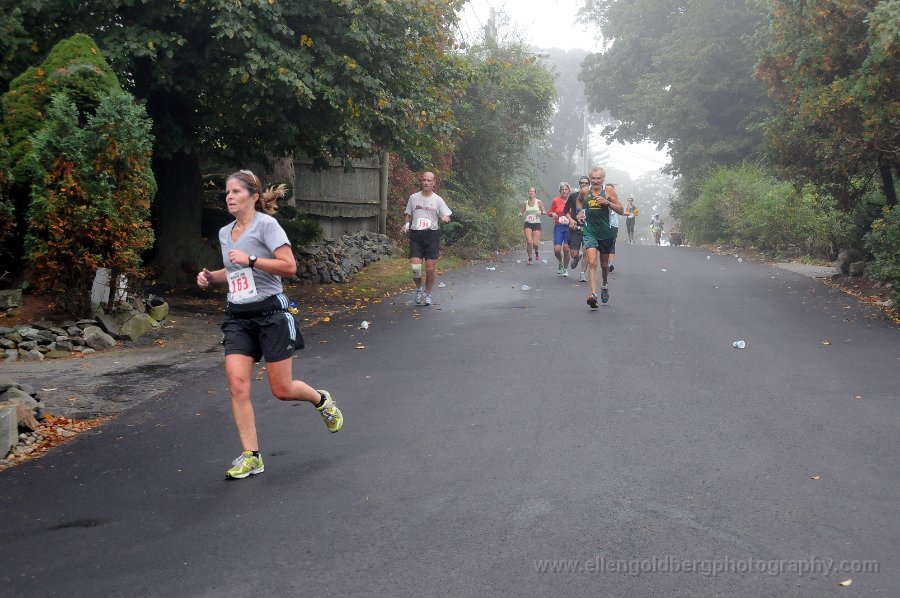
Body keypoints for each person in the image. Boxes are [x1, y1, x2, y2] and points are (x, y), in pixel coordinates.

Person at [196, 170, 343, 480]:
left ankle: (321, 400)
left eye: (236, 191)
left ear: (253, 197)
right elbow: (233, 270)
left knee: (282, 389)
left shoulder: (267, 226)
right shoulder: (225, 232)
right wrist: (211, 277)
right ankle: (252, 456)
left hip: (271, 315)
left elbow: (289, 267)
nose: (229, 197)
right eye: (227, 192)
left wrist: (251, 259)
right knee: (237, 384)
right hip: (238, 317)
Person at [402, 171, 452, 306]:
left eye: (429, 180)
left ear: (433, 183)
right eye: (424, 180)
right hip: (416, 235)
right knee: (415, 267)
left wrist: (445, 218)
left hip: (431, 235)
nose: (426, 182)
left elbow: (447, 215)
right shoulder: (413, 198)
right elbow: (408, 214)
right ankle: (419, 289)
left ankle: (428, 293)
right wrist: (406, 224)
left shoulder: (438, 200)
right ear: (421, 181)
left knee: (430, 268)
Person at [578, 166, 624, 308]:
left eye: (598, 178)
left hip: (605, 233)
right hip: (589, 231)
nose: (596, 181)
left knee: (604, 266)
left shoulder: (608, 191)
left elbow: (621, 210)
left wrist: (607, 202)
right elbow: (579, 201)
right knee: (592, 262)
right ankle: (593, 294)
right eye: (593, 178)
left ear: (603, 179)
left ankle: (604, 285)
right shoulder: (585, 191)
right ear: (590, 179)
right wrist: (580, 212)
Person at [565, 176, 590, 282]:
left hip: (588, 228)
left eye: (586, 183)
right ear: (579, 184)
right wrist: (571, 220)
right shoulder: (573, 196)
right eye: (582, 182)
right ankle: (577, 257)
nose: (583, 184)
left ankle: (582, 274)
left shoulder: (592, 197)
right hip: (575, 228)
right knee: (574, 254)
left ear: (589, 184)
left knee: (586, 250)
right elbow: (565, 210)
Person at [548, 182, 571, 276]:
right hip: (559, 227)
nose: (564, 191)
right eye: (562, 189)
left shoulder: (572, 200)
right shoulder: (556, 200)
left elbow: (577, 212)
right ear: (560, 191)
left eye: (566, 189)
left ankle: (565, 269)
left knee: (566, 248)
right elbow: (550, 212)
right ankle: (560, 262)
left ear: (569, 191)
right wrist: (553, 214)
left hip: (569, 227)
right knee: (557, 250)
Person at [519, 186, 545, 264]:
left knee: (535, 243)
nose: (531, 192)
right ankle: (530, 258)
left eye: (532, 191)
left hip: (536, 224)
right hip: (528, 223)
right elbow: (521, 212)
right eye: (529, 191)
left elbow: (544, 211)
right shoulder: (525, 203)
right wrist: (520, 214)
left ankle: (536, 251)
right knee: (529, 241)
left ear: (535, 193)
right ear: (528, 193)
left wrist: (541, 212)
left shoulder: (539, 202)